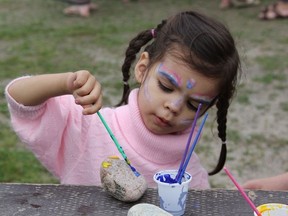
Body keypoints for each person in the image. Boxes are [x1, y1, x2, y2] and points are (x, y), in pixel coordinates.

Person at [5, 11, 241, 188]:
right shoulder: (91, 127)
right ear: (142, 68)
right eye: (166, 86)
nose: (173, 106)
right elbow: (20, 100)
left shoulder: (190, 176)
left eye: (192, 104)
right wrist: (66, 82)